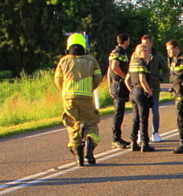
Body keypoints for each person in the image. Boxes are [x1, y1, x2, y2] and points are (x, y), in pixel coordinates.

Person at [53, 33, 103, 166]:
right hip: (86, 96)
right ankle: (90, 147)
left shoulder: (64, 60)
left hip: (68, 97)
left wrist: (65, 91)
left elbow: (58, 79)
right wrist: (89, 88)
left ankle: (78, 156)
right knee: (91, 122)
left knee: (72, 125)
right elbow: (98, 78)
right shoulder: (91, 60)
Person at [127, 42, 156, 152]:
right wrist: (149, 92)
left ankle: (133, 141)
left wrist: (132, 89)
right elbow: (142, 80)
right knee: (143, 118)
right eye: (145, 51)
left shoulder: (133, 63)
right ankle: (144, 142)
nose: (147, 52)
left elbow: (127, 80)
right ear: (139, 52)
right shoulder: (142, 63)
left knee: (135, 118)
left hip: (133, 92)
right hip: (140, 91)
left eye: (147, 50)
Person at [140, 34, 169, 143]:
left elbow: (166, 70)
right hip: (141, 87)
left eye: (147, 43)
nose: (145, 46)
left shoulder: (157, 56)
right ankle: (141, 133)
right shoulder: (137, 55)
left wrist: (160, 79)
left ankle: (155, 133)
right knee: (141, 111)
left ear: (151, 43)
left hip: (154, 86)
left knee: (155, 110)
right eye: (143, 44)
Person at [107, 33, 131, 148]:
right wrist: (125, 76)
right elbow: (114, 67)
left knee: (120, 112)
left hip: (115, 83)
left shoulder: (114, 52)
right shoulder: (119, 52)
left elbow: (108, 70)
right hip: (118, 84)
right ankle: (115, 139)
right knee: (118, 112)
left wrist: (108, 85)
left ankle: (118, 137)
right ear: (126, 41)